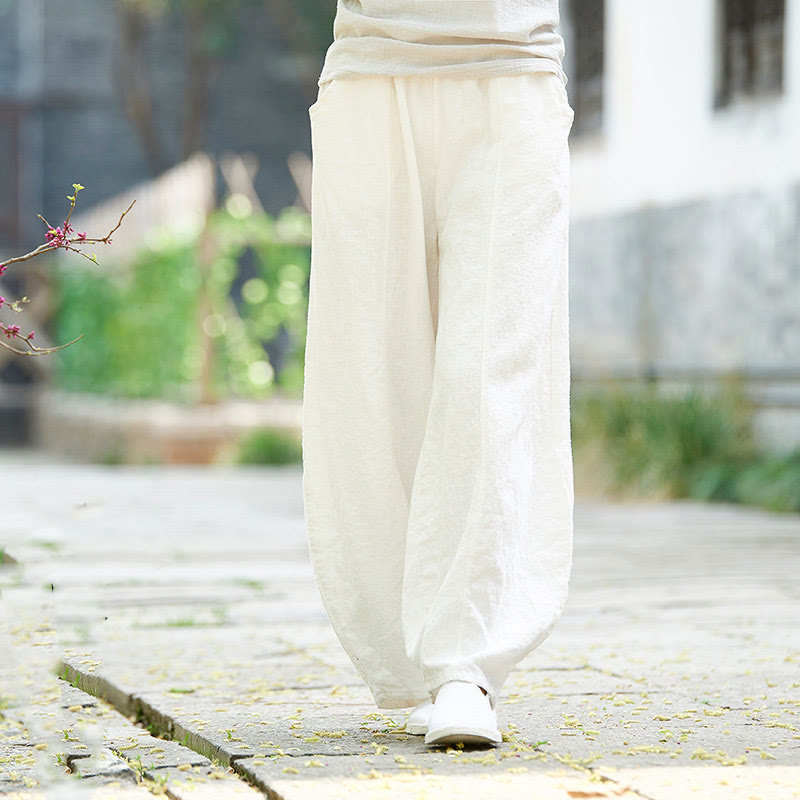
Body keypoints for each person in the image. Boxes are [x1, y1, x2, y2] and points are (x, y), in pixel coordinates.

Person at [301, 0, 575, 748]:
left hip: (512, 75)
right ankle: (412, 652)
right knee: (372, 374)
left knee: (491, 370)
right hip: (371, 77)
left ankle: (463, 665)